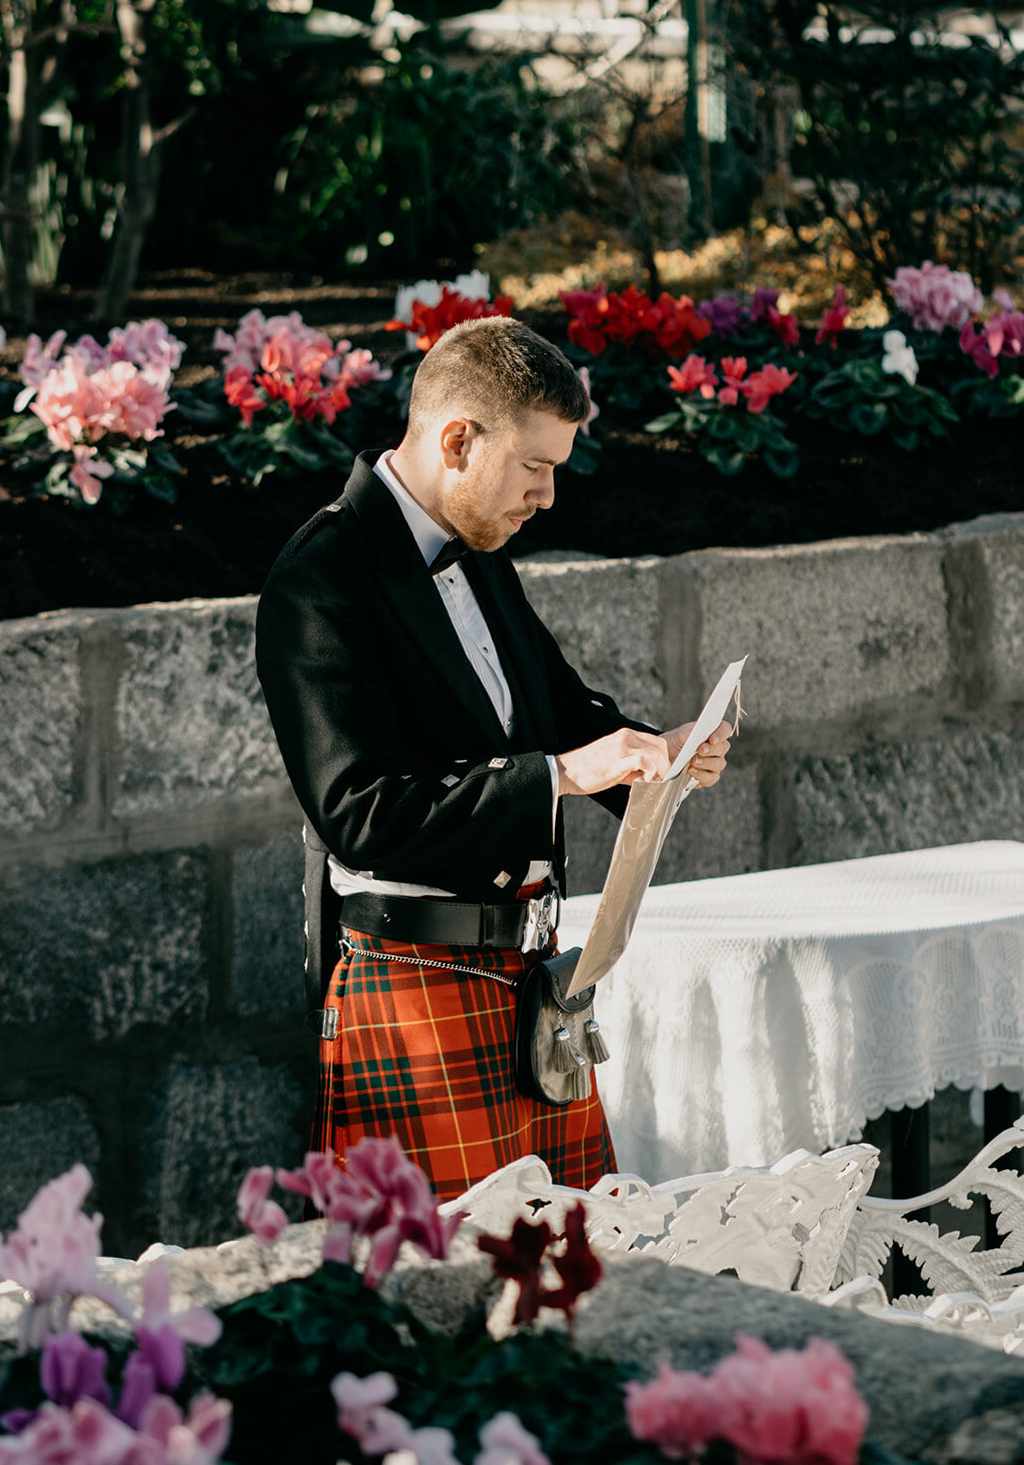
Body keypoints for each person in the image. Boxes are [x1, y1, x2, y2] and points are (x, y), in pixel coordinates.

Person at [256, 316, 731, 1201]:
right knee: (442, 1308)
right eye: (535, 467)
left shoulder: (476, 549)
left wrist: (651, 756)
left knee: (577, 1277)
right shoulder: (319, 580)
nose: (547, 496)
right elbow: (360, 811)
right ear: (458, 440)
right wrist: (559, 776)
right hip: (411, 991)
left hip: (530, 992)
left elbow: (555, 709)